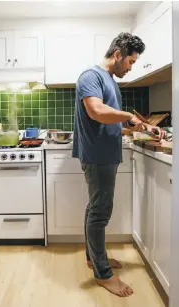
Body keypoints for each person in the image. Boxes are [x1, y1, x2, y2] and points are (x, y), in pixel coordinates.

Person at [72, 32, 165, 297]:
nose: (131, 66)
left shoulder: (110, 81)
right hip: (98, 155)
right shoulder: (91, 76)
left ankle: (93, 259)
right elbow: (97, 112)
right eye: (131, 61)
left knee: (95, 209)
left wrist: (142, 127)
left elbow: (111, 123)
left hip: (105, 153)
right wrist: (130, 117)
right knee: (100, 212)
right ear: (117, 54)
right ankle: (103, 274)